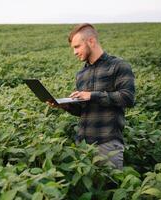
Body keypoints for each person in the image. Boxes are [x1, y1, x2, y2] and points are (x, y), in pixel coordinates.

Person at [48, 23, 135, 169]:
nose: (75, 52)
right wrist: (65, 105)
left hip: (107, 144)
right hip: (82, 145)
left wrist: (92, 95)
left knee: (109, 187)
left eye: (77, 46)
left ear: (91, 41)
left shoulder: (118, 66)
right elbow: (84, 111)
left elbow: (128, 98)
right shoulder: (81, 74)